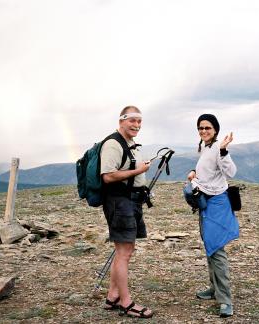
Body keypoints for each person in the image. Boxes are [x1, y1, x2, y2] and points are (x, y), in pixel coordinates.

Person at [100, 105, 154, 318]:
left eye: (139, 121)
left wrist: (138, 171)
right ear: (121, 120)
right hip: (120, 203)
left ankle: (113, 296)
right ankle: (126, 303)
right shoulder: (113, 144)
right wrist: (139, 170)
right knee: (123, 253)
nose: (137, 125)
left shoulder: (129, 143)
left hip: (130, 201)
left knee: (125, 251)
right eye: (132, 120)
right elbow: (108, 176)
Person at [186, 113, 239, 318]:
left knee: (217, 250)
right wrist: (194, 172)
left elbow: (231, 171)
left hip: (217, 203)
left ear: (215, 129)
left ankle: (226, 300)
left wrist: (224, 150)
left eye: (207, 128)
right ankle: (214, 289)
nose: (204, 131)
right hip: (206, 203)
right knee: (210, 246)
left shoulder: (218, 147)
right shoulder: (205, 147)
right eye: (200, 128)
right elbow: (208, 170)